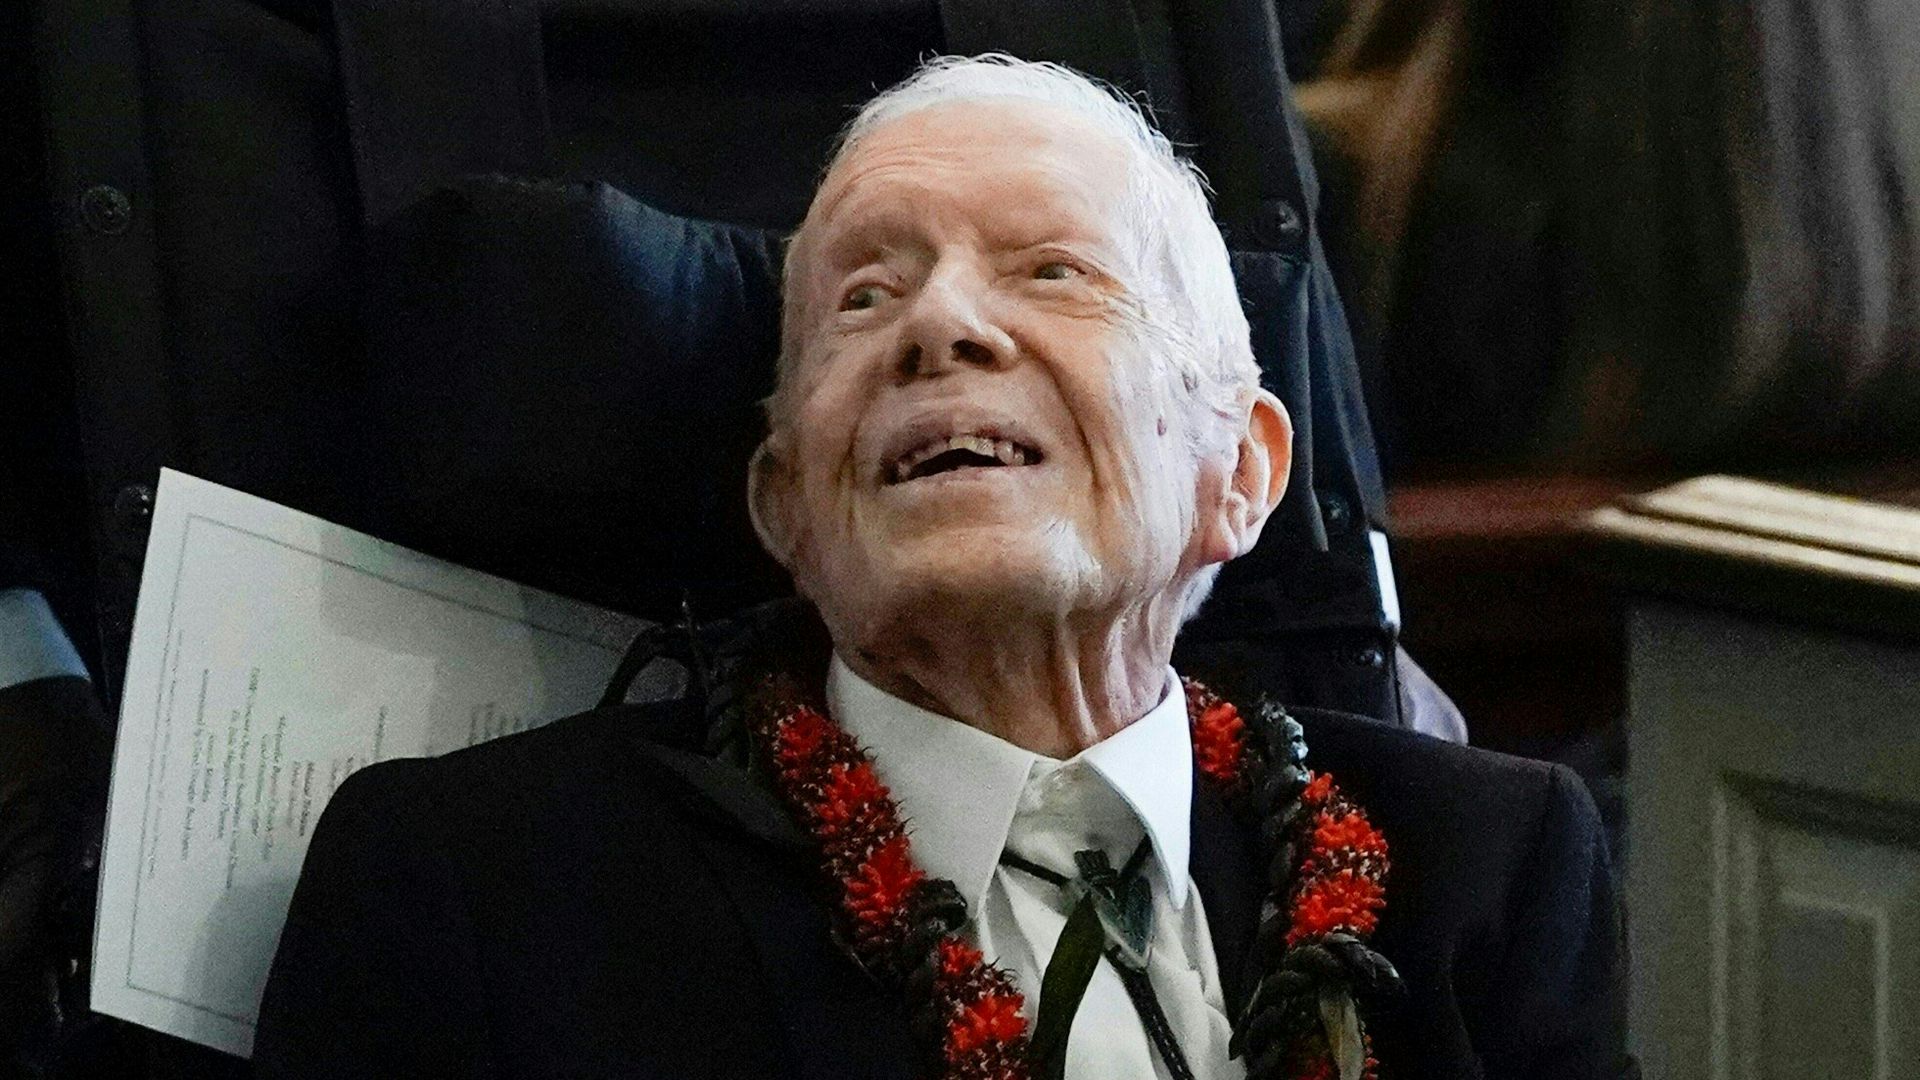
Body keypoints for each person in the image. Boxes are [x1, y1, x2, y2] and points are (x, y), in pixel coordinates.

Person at [255, 56, 1631, 1079]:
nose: (942, 327)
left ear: (1244, 474)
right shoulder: (488, 894)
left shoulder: (1489, 871)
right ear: (785, 502)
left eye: (1051, 273)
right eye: (863, 296)